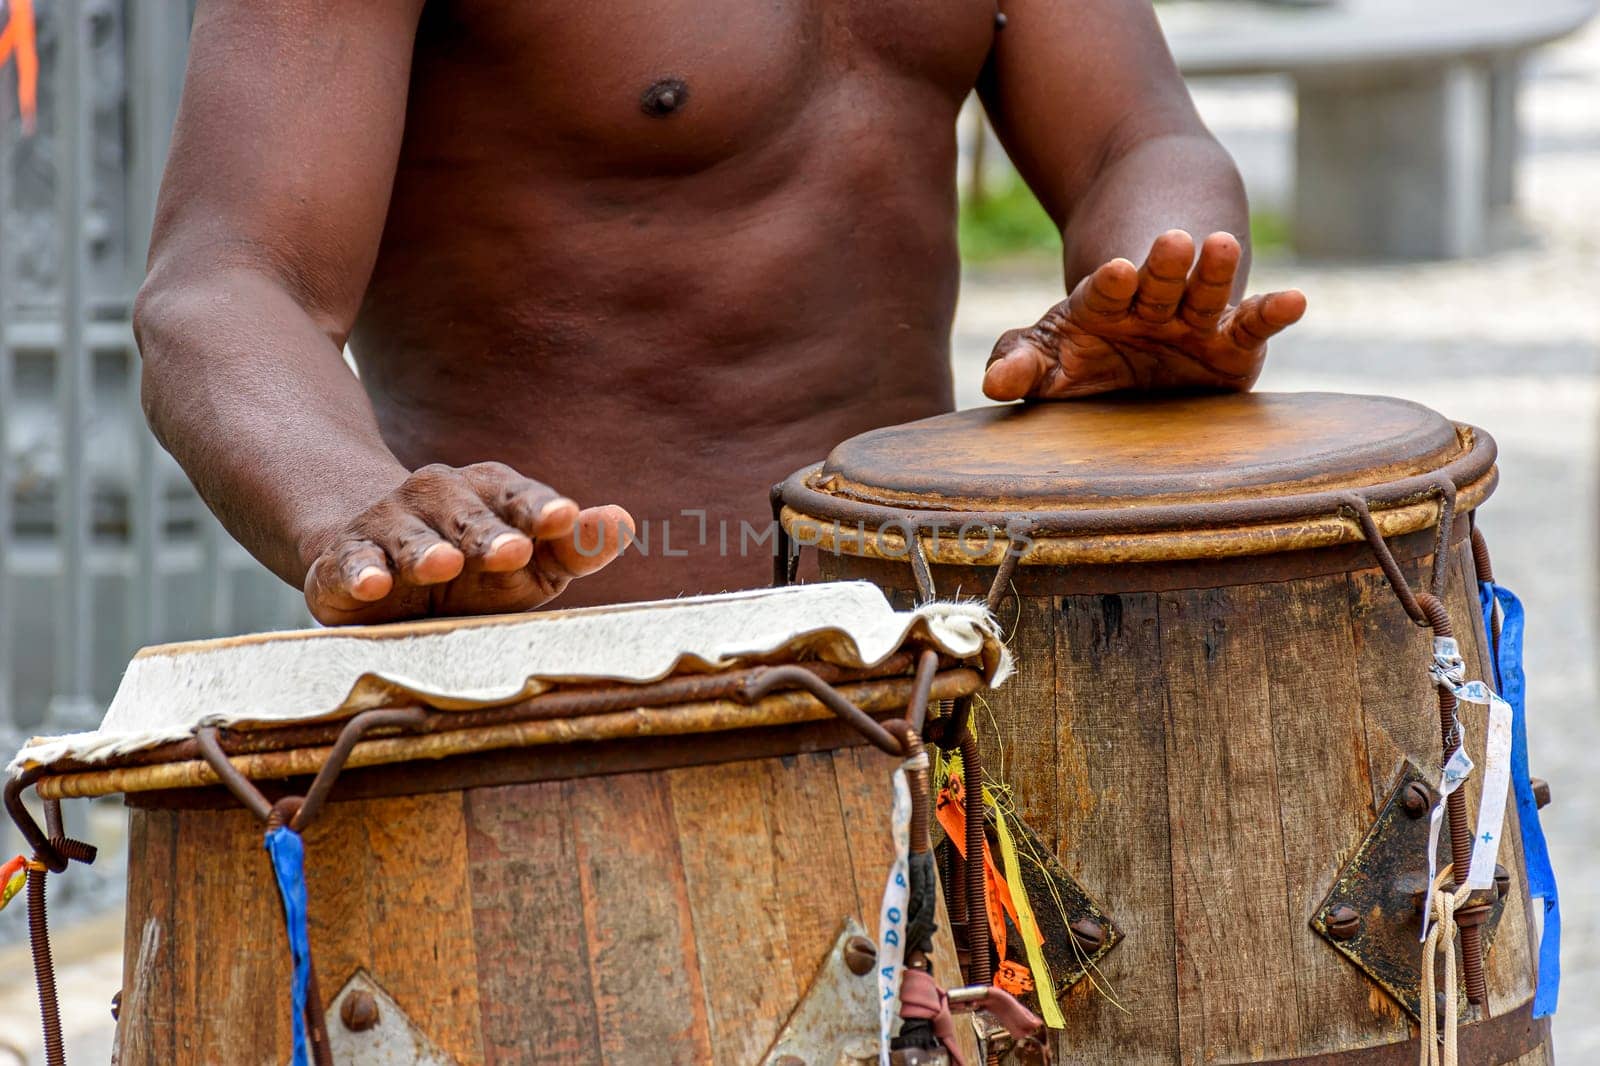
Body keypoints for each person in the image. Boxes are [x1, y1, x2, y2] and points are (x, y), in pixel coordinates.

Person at [134, 0, 1306, 624]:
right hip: (548, 688)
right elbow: (224, 286)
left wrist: (1155, 279)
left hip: (930, 652)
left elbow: (1135, 136)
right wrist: (357, 513)